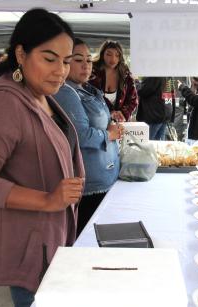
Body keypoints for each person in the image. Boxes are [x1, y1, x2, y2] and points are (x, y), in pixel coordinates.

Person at [0, 8, 85, 307]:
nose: (60, 70)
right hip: (28, 247)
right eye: (49, 58)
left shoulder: (39, 94)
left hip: (49, 239)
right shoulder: (5, 102)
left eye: (66, 61)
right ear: (21, 53)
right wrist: (47, 199)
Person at [53, 38, 122, 235]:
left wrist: (111, 120)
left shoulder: (86, 89)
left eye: (89, 60)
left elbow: (99, 120)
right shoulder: (66, 92)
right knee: (90, 238)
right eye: (78, 60)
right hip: (90, 185)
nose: (86, 65)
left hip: (105, 177)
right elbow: (81, 135)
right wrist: (109, 133)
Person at [89, 40, 138, 122]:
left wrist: (123, 114)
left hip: (119, 124)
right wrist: (110, 112)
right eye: (108, 54)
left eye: (117, 55)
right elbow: (91, 96)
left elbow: (133, 100)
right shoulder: (93, 72)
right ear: (102, 54)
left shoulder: (125, 75)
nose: (113, 59)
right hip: (96, 122)